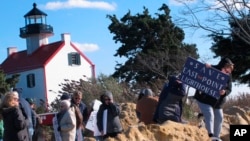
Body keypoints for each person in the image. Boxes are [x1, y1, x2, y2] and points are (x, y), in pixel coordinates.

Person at [194, 57, 234, 141]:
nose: (228, 71)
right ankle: (210, 136)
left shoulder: (229, 76)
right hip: (205, 99)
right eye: (227, 68)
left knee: (219, 117)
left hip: (218, 102)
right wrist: (205, 68)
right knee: (210, 114)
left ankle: (216, 137)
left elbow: (229, 89)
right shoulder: (212, 69)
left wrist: (225, 92)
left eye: (230, 69)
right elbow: (200, 75)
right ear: (223, 66)